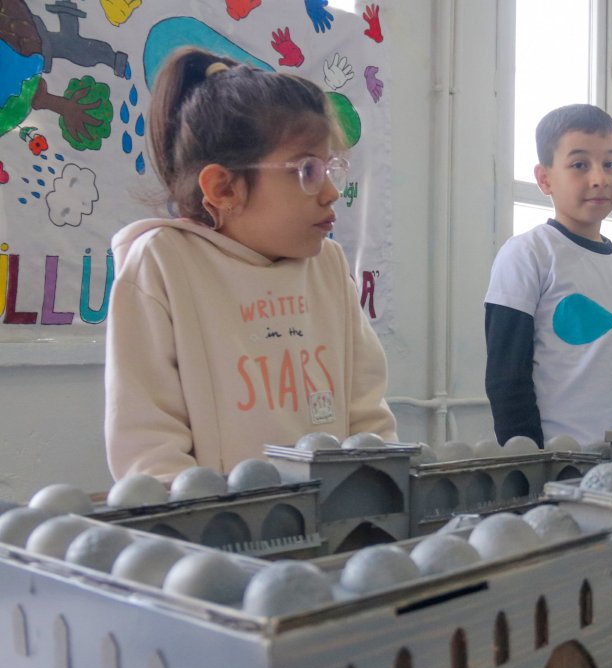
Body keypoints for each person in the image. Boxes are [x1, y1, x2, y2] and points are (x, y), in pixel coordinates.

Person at [105, 48, 397, 481]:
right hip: (217, 540)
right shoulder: (163, 264)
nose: (332, 192)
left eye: (333, 168)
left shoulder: (328, 265)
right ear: (224, 188)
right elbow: (149, 451)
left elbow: (367, 416)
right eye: (308, 170)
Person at [485, 104, 612, 447]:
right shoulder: (527, 254)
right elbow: (506, 379)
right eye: (579, 165)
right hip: (557, 467)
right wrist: (527, 467)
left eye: (610, 164)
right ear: (544, 178)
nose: (599, 178)